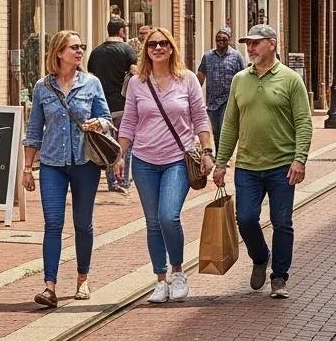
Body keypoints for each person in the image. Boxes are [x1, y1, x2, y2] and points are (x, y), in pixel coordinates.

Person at [212, 25, 313, 299]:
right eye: (248, 43)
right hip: (247, 165)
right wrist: (221, 163)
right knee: (245, 219)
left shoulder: (291, 79)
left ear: (272, 44)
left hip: (282, 165)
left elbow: (304, 122)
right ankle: (260, 256)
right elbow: (230, 124)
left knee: (282, 222)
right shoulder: (239, 80)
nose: (251, 48)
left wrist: (299, 159)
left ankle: (279, 277)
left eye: (256, 43)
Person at [115, 27, 213, 304]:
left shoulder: (187, 79)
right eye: (152, 44)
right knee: (152, 222)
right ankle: (160, 279)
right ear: (145, 50)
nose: (157, 48)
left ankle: (178, 272)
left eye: (163, 44)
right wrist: (119, 155)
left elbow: (200, 117)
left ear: (171, 48)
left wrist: (207, 151)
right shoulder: (137, 83)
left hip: (177, 160)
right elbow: (129, 121)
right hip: (144, 161)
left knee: (168, 216)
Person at [22, 30, 112, 309]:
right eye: (74, 47)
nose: (80, 51)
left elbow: (106, 119)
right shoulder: (42, 87)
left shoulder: (91, 83)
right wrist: (27, 167)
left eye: (81, 47)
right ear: (59, 52)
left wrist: (98, 123)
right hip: (52, 164)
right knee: (53, 224)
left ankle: (82, 278)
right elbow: (34, 130)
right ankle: (49, 286)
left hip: (85, 163)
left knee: (83, 223)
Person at [87, 16, 138, 195]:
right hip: (122, 105)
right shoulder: (127, 50)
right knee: (125, 144)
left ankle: (111, 181)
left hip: (102, 107)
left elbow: (91, 77)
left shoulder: (96, 52)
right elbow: (135, 74)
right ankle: (123, 179)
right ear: (122, 31)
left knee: (108, 144)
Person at [196, 26, 245, 146]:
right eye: (218, 39)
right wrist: (194, 96)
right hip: (212, 102)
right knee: (216, 132)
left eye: (224, 39)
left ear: (229, 39)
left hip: (229, 100)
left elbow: (243, 78)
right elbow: (200, 76)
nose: (221, 41)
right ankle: (219, 153)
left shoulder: (236, 56)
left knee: (224, 130)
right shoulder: (208, 57)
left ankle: (224, 155)